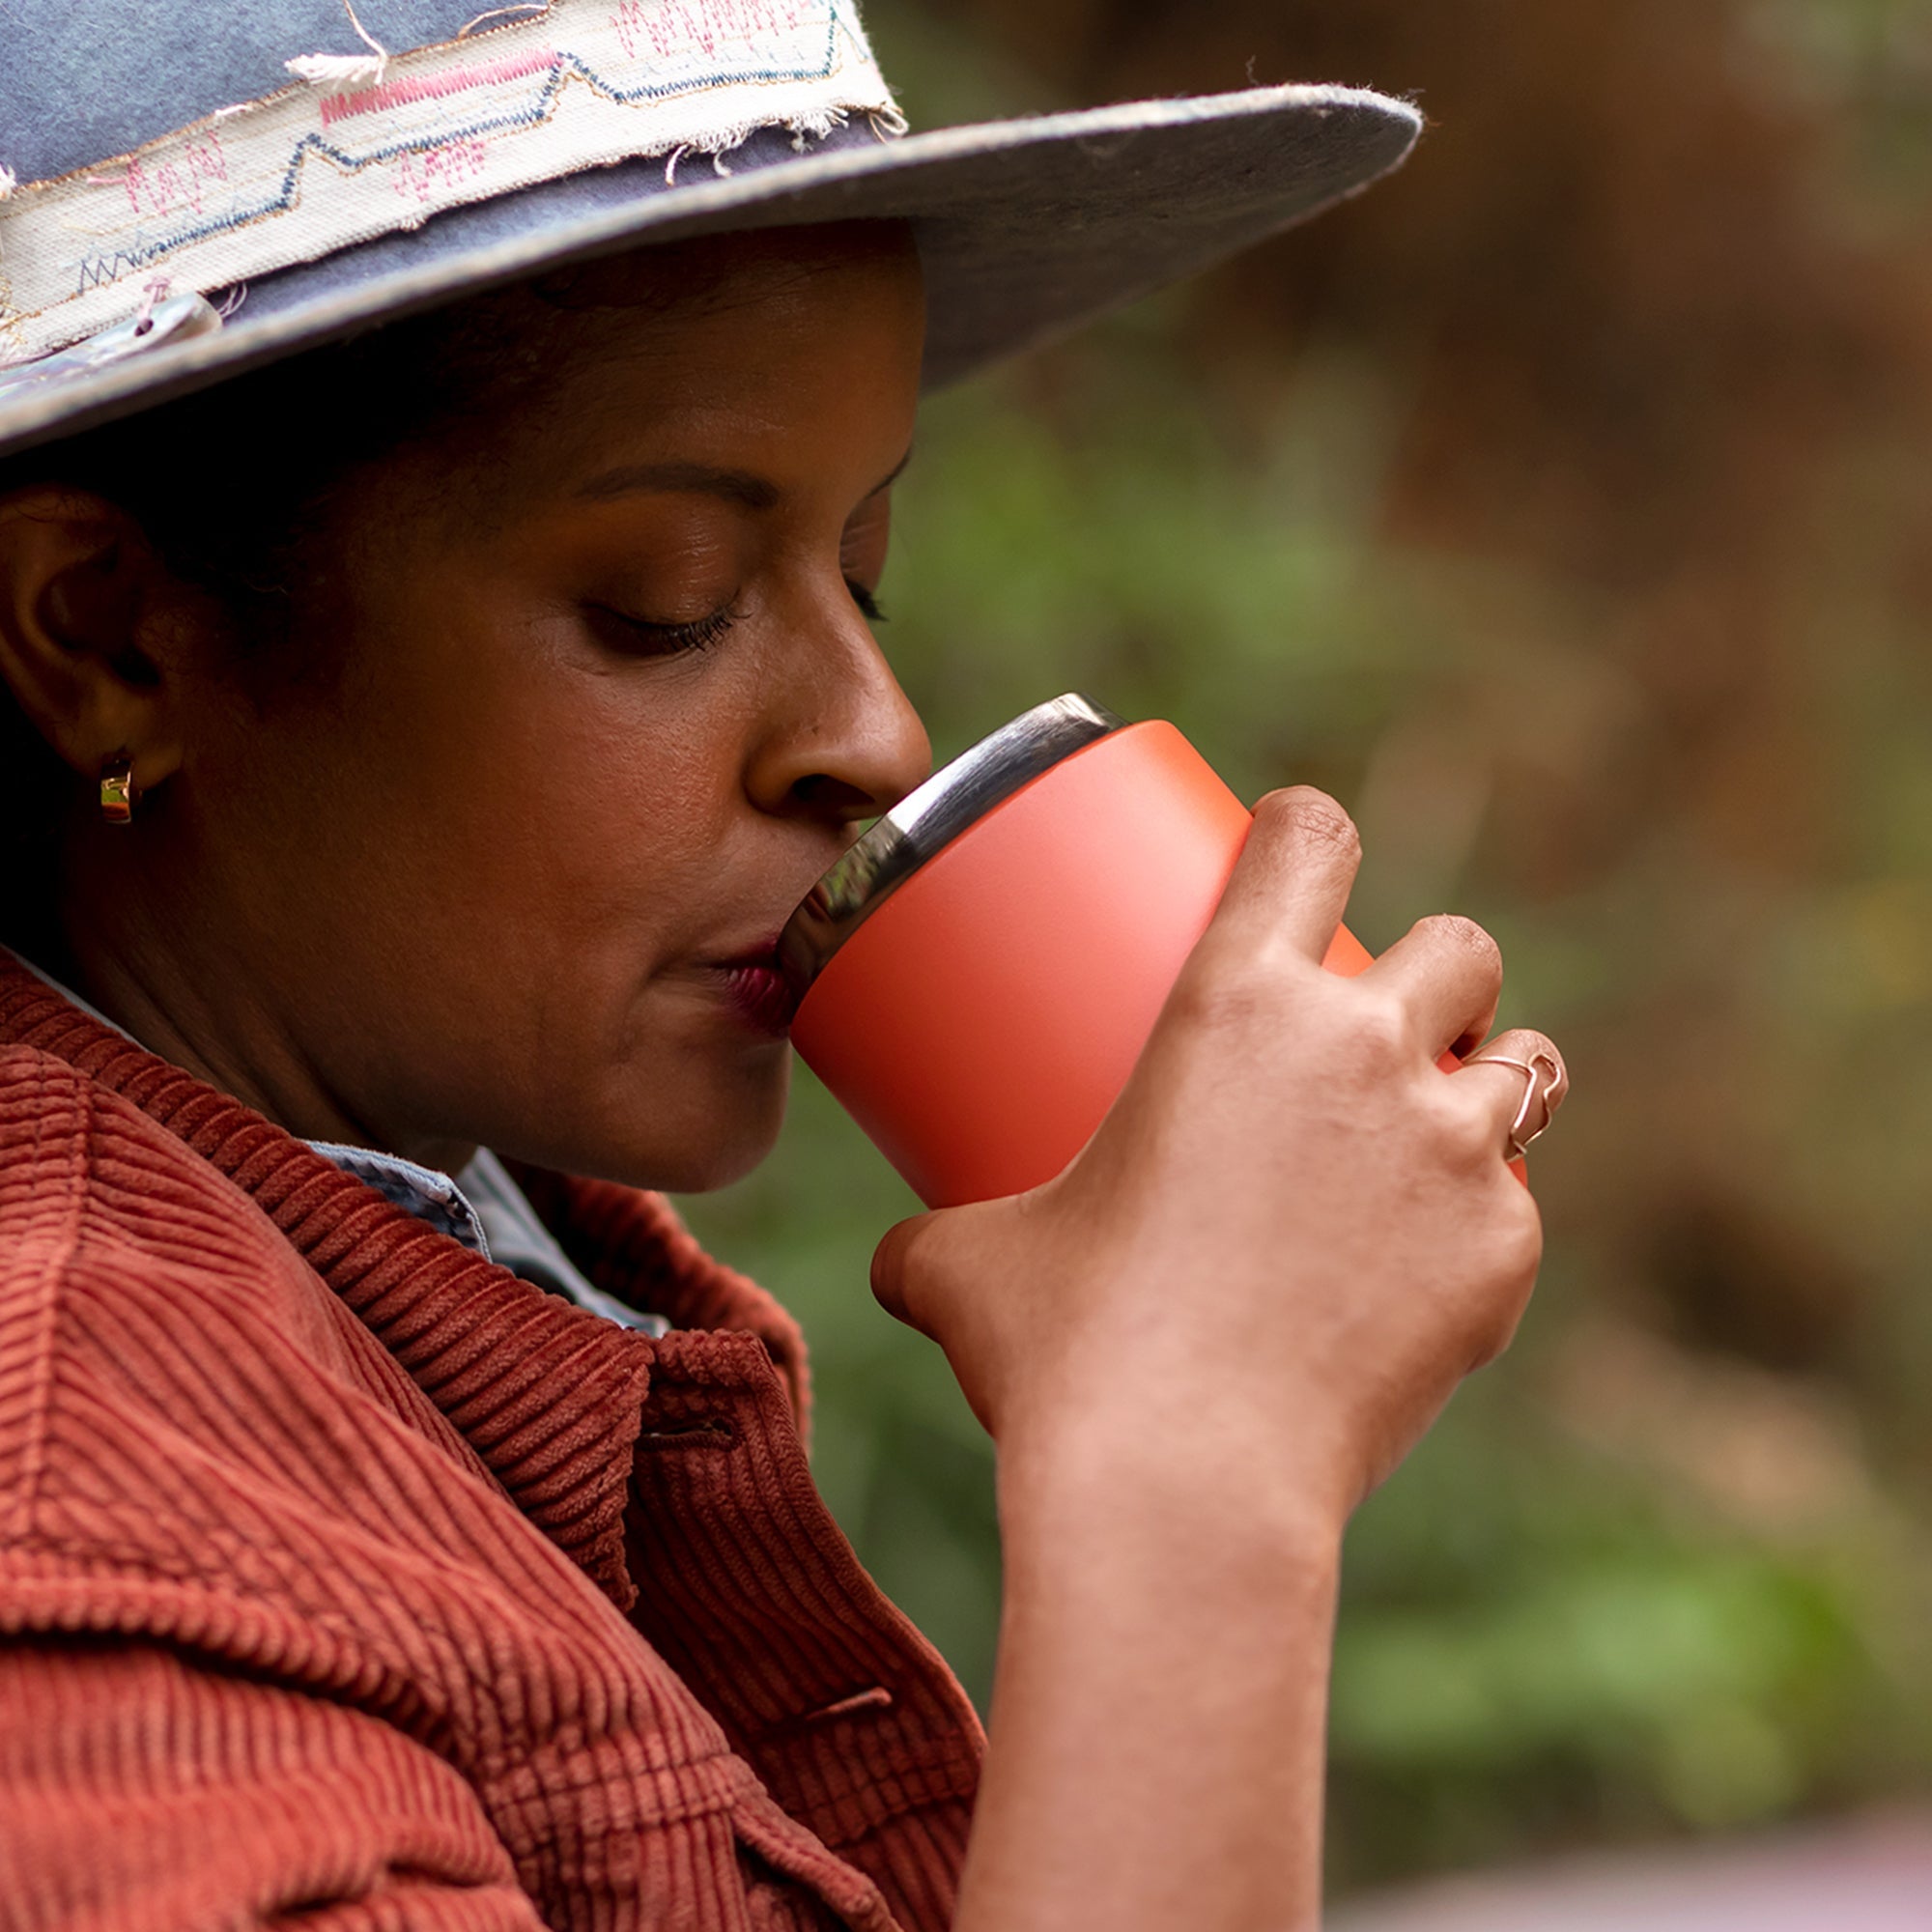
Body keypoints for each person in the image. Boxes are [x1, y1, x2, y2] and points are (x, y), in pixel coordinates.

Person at [0, 4, 1568, 1927]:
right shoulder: (86, 1546)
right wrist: (1197, 1460)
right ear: (109, 637)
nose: (880, 734)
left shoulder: (460, 1281)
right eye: (664, 605)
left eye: (864, 569)